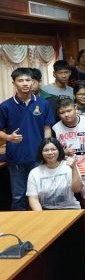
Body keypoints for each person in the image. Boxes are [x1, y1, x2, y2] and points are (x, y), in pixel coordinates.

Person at [0, 68, 54, 210]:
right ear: (14, 83)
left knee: (41, 194)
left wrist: (47, 148)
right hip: (16, 158)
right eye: (20, 80)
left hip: (38, 157)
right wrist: (8, 137)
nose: (25, 83)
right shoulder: (5, 106)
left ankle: (42, 222)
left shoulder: (43, 103)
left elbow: (47, 128)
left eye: (28, 80)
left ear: (33, 82)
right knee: (18, 196)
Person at [53, 98, 85, 222]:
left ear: (75, 108)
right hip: (65, 165)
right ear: (58, 114)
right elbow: (52, 150)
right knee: (66, 192)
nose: (66, 114)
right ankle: (70, 216)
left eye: (69, 110)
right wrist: (63, 152)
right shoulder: (55, 128)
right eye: (62, 112)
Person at [26, 138, 83, 210]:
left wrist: (74, 168)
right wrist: (41, 215)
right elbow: (33, 198)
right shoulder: (34, 173)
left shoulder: (69, 166)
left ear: (59, 151)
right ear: (41, 153)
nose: (50, 153)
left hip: (70, 209)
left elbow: (77, 189)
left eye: (53, 149)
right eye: (46, 150)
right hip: (46, 211)